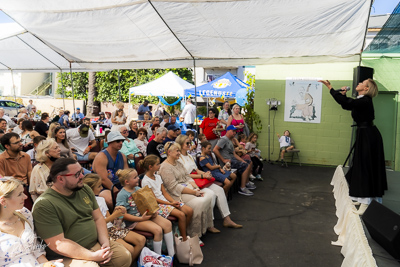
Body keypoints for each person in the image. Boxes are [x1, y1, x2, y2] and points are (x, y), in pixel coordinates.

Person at [32, 158, 132, 266]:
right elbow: (58, 244)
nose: (82, 177)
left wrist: (105, 244)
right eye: (77, 174)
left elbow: (98, 218)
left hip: (95, 244)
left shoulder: (84, 189)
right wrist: (92, 256)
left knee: (124, 256)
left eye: (81, 172)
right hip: (68, 255)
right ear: (60, 179)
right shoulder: (45, 204)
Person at [320, 79, 387, 215]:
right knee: (360, 165)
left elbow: (348, 103)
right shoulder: (362, 100)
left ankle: (365, 202)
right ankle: (360, 197)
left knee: (365, 167)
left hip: (368, 136)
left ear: (366, 89)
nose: (359, 83)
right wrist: (343, 96)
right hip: (365, 134)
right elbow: (347, 105)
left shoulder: (365, 101)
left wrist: (330, 88)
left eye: (362, 82)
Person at [176, 135, 241, 229]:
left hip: (198, 179)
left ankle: (227, 219)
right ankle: (210, 224)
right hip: (190, 182)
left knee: (220, 190)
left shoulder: (189, 156)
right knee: (211, 194)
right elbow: (185, 175)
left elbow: (196, 169)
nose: (189, 144)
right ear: (181, 144)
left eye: (190, 142)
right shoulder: (179, 158)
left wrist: (206, 173)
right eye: (187, 143)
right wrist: (203, 175)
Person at [158, 142, 214, 244]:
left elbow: (187, 177)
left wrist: (195, 188)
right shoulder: (165, 167)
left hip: (186, 188)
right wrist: (193, 192)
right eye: (177, 151)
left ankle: (204, 227)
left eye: (179, 150)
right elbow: (173, 187)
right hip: (175, 194)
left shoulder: (178, 163)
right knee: (199, 202)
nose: (179, 153)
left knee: (209, 196)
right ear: (169, 152)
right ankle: (193, 234)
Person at [83, 173, 146, 263]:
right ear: (90, 189)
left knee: (141, 240)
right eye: (99, 186)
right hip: (102, 232)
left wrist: (118, 212)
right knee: (130, 249)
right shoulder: (86, 204)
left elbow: (110, 219)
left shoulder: (101, 199)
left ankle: (129, 264)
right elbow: (95, 224)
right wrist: (114, 215)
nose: (101, 188)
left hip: (112, 228)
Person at [115, 168, 175, 256]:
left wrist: (152, 211)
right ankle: (158, 257)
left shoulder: (138, 189)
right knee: (157, 230)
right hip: (134, 220)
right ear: (127, 182)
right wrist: (141, 218)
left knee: (168, 224)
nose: (138, 178)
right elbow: (122, 215)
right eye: (135, 177)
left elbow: (147, 203)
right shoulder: (122, 195)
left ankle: (171, 254)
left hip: (144, 215)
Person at [0, 177, 58, 266]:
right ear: (3, 201)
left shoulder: (24, 214)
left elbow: (35, 249)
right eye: (20, 194)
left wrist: (47, 264)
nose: (25, 196)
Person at [141, 155, 193, 241]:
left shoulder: (157, 176)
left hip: (166, 201)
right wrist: (170, 204)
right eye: (157, 164)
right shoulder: (145, 181)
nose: (160, 165)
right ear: (150, 167)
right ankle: (184, 238)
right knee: (181, 215)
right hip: (158, 205)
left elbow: (164, 192)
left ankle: (180, 232)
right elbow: (153, 199)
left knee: (189, 211)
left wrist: (173, 201)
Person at [214, 125, 256, 196]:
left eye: (235, 131)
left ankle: (246, 182)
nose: (234, 133)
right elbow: (215, 149)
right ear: (228, 131)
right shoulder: (223, 139)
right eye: (233, 131)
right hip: (227, 163)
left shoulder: (230, 140)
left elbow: (235, 155)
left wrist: (242, 160)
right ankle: (242, 188)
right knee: (246, 165)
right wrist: (223, 160)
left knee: (249, 162)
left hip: (233, 159)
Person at [92, 131, 128, 209]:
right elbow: (103, 179)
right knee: (112, 200)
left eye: (122, 141)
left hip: (118, 185)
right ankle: (117, 217)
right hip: (101, 187)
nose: (121, 143)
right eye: (118, 141)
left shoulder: (122, 156)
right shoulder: (102, 156)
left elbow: (127, 174)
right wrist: (117, 193)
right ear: (110, 142)